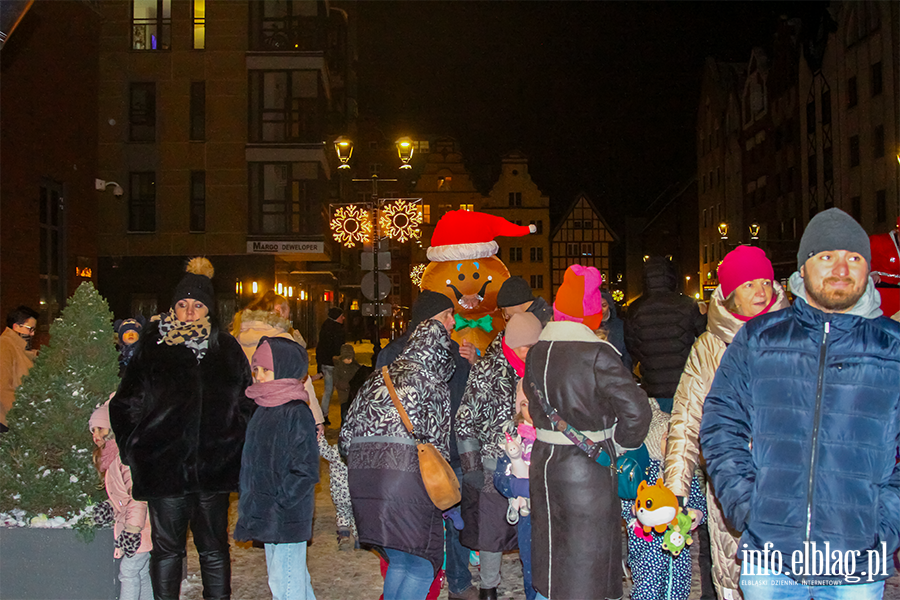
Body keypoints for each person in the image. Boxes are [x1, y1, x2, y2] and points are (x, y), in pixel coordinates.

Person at [701, 208, 900, 599]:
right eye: (827, 256)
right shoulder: (760, 339)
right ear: (803, 268)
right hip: (770, 558)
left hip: (857, 563)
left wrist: (886, 520)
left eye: (854, 258)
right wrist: (746, 504)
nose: (841, 268)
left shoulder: (892, 347)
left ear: (868, 271)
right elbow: (720, 423)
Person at [110, 257, 254, 600]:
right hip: (163, 466)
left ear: (208, 309)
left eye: (198, 304)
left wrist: (235, 441)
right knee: (168, 550)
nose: (190, 311)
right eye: (183, 304)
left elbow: (247, 399)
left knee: (214, 548)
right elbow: (125, 402)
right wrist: (134, 449)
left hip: (213, 466)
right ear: (173, 306)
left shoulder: (225, 347)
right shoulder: (153, 347)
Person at [665, 245, 789, 600]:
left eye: (765, 281)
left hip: (788, 481)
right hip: (731, 482)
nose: (761, 291)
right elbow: (686, 418)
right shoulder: (709, 348)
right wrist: (676, 488)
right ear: (731, 294)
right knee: (735, 580)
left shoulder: (793, 336)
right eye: (749, 284)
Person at [524, 264, 652, 600]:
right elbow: (637, 411)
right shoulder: (597, 354)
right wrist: (621, 446)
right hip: (586, 470)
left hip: (544, 464)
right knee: (586, 568)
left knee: (552, 557)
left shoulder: (537, 352)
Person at [340, 319, 455, 600]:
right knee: (421, 565)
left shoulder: (378, 376)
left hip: (365, 484)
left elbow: (345, 438)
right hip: (409, 485)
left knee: (400, 560)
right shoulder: (433, 383)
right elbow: (438, 447)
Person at [375, 290, 477, 600]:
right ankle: (426, 580)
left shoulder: (456, 353)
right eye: (447, 316)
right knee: (418, 534)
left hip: (450, 455)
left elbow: (466, 403)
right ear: (427, 320)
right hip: (410, 458)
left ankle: (458, 582)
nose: (452, 321)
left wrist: (473, 366)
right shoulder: (392, 355)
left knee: (455, 522)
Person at [457, 311, 543, 600]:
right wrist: (472, 468)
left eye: (533, 346)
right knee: (491, 531)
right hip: (495, 463)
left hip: (537, 463)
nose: (527, 353)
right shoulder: (487, 370)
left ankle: (537, 580)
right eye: (522, 346)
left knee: (534, 530)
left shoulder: (542, 369)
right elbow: (465, 419)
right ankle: (488, 586)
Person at [234, 337, 319, 600]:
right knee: (289, 577)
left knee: (286, 581)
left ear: (285, 369)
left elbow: (305, 467)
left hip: (285, 515)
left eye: (266, 370)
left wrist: (282, 502)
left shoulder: (295, 411)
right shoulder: (262, 408)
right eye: (256, 370)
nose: (259, 377)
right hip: (268, 511)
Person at [624, 398, 705, 600]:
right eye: (666, 439)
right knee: (648, 589)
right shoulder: (642, 472)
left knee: (678, 587)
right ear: (653, 440)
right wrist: (635, 510)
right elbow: (626, 503)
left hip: (677, 550)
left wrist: (696, 513)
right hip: (647, 549)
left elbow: (696, 499)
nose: (672, 446)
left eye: (675, 440)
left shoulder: (682, 474)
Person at [625, 256, 707, 409]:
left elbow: (631, 346)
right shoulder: (688, 305)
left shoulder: (635, 309)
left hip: (652, 385)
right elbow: (705, 338)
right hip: (685, 385)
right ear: (672, 277)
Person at [91, 401, 153, 600]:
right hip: (137, 525)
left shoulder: (123, 458)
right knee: (139, 572)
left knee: (128, 571)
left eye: (99, 429)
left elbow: (137, 497)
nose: (95, 436)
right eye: (93, 431)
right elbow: (122, 497)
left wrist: (132, 531)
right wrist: (109, 508)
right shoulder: (112, 457)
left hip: (140, 526)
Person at [493, 380, 537, 600]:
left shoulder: (563, 438)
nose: (533, 409)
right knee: (531, 571)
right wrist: (517, 486)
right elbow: (500, 477)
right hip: (527, 518)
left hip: (558, 518)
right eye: (526, 404)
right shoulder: (518, 437)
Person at [0, 305, 38, 432]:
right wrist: (17, 416)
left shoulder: (15, 346)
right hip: (8, 420)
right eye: (30, 329)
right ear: (16, 327)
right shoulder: (5, 346)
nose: (32, 334)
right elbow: (3, 387)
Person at [316, 307, 345, 426]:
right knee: (340, 390)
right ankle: (342, 415)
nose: (344, 318)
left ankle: (323, 414)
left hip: (326, 363)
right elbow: (338, 348)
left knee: (328, 390)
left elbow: (320, 348)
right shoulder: (337, 330)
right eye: (342, 315)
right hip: (334, 364)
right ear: (337, 317)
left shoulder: (325, 327)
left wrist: (319, 364)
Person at [600, 290, 632, 372]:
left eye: (604, 305)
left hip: (618, 372)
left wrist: (626, 373)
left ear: (609, 306)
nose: (601, 309)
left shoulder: (621, 325)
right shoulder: (589, 327)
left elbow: (627, 354)